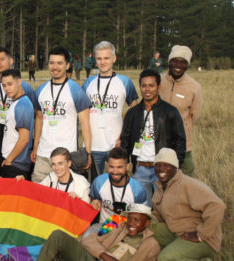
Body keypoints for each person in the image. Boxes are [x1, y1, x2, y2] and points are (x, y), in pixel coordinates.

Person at [120, 69, 186, 205]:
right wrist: (125, 162)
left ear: (159, 87)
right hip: (140, 169)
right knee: (141, 208)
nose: (147, 89)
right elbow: (125, 140)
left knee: (163, 207)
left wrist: (176, 165)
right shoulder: (133, 113)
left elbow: (180, 140)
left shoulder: (170, 111)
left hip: (162, 168)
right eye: (144, 86)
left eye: (151, 85)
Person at [150, 148, 225, 260]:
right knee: (143, 226)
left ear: (175, 167)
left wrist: (201, 234)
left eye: (167, 165)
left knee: (165, 258)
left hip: (203, 239)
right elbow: (158, 216)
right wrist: (142, 218)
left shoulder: (188, 184)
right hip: (176, 232)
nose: (161, 169)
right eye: (158, 165)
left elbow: (217, 206)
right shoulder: (160, 189)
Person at [31, 46, 92, 183]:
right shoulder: (40, 90)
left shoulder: (76, 90)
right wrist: (35, 147)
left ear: (67, 65)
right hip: (43, 155)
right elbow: (39, 118)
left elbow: (85, 123)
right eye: (52, 63)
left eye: (59, 63)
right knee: (39, 196)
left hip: (66, 155)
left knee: (63, 198)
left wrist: (87, 153)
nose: (55, 67)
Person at [82, 41, 139, 174]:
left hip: (115, 145)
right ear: (95, 60)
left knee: (116, 187)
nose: (102, 62)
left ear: (114, 58)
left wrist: (124, 136)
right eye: (99, 58)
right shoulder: (88, 82)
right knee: (94, 186)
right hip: (93, 146)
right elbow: (81, 112)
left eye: (106, 58)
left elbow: (135, 110)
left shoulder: (125, 81)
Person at [0, 46, 36, 174]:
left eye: (2, 59)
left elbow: (34, 116)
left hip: (17, 132)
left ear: (11, 61)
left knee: (13, 170)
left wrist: (34, 144)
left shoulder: (25, 88)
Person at [38, 203, 160, 261]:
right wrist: (104, 255)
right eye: (129, 218)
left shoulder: (151, 245)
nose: (131, 223)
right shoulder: (116, 225)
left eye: (137, 220)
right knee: (58, 235)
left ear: (147, 223)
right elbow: (89, 240)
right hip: (93, 258)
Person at [159, 45, 202, 177]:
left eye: (183, 62)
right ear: (169, 61)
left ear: (187, 65)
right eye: (175, 61)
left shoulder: (194, 87)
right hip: (159, 142)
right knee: (159, 178)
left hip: (183, 144)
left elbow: (194, 115)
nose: (178, 65)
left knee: (186, 178)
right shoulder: (158, 80)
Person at [0, 69, 33, 178]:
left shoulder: (23, 105)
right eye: (4, 85)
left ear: (19, 82)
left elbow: (24, 138)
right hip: (11, 161)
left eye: (10, 84)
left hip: (16, 164)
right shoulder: (16, 102)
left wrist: (9, 159)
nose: (7, 88)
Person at [90, 147, 148, 226]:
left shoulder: (137, 189)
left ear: (127, 167)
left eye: (119, 167)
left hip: (127, 228)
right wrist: (94, 202)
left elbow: (142, 214)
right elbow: (94, 200)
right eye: (111, 167)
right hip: (104, 227)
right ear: (107, 166)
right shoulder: (99, 182)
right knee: (87, 236)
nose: (115, 171)